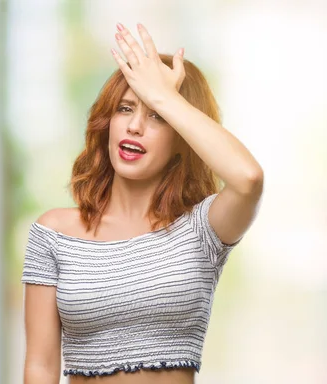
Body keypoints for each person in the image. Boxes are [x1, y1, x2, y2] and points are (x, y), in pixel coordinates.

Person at [21, 22, 263, 384]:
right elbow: (39, 367)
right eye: (124, 108)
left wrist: (167, 96)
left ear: (183, 138)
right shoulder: (54, 233)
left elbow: (248, 179)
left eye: (157, 116)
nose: (135, 126)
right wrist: (156, 102)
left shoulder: (203, 230)